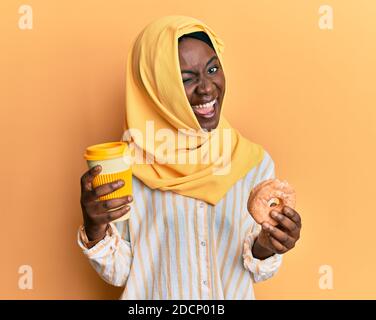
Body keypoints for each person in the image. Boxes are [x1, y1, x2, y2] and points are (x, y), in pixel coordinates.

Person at [78, 15, 302, 300]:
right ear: (156, 88)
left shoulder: (253, 163)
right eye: (186, 79)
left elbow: (256, 268)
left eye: (212, 69)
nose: (207, 88)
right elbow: (121, 272)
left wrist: (269, 244)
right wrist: (95, 227)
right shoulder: (127, 165)